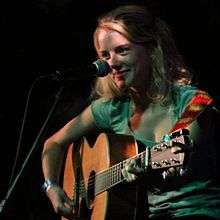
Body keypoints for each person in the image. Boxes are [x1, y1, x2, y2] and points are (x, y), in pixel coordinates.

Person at [41, 4, 220, 220]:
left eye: (122, 50)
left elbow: (178, 149)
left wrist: (149, 162)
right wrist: (51, 187)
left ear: (153, 48)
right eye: (104, 55)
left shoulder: (196, 101)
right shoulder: (112, 109)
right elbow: (53, 144)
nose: (112, 63)